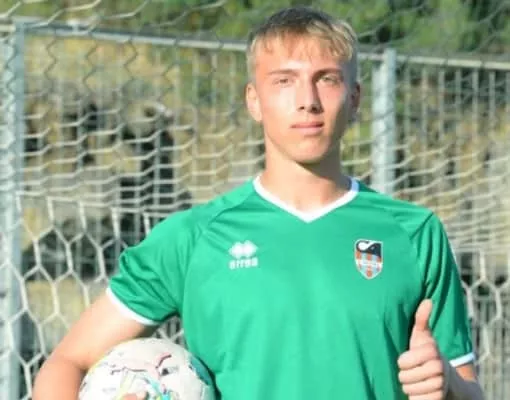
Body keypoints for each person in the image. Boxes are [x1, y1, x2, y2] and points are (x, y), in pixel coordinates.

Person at [33, 6, 485, 400]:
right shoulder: (192, 238)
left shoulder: (414, 233)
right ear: (254, 100)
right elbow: (68, 362)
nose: (307, 101)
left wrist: (447, 382)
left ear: (355, 99)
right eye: (284, 81)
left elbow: (469, 390)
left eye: (327, 80)